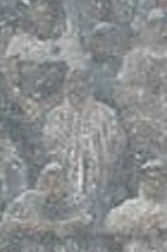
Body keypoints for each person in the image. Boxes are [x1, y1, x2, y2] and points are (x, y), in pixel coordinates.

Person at [40, 65, 124, 220]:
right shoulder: (55, 116)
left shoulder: (107, 114)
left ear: (89, 84)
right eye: (72, 82)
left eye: (82, 81)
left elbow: (116, 148)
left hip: (101, 187)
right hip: (64, 189)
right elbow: (50, 149)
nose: (77, 87)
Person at [1, 163, 89, 252]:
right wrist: (24, 225)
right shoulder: (28, 199)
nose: (51, 189)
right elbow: (6, 220)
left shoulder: (74, 201)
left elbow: (84, 221)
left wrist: (52, 227)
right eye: (46, 183)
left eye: (56, 184)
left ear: (65, 185)